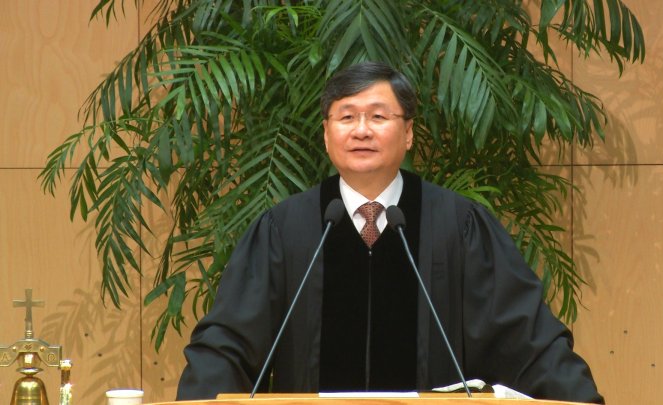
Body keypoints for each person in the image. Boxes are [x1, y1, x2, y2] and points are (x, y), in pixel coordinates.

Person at [176, 61, 604, 403]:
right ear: (326, 134)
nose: (361, 130)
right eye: (346, 116)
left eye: (378, 116)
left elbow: (525, 338)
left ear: (409, 133)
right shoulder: (284, 230)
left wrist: (576, 399)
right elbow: (228, 344)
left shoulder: (459, 225)